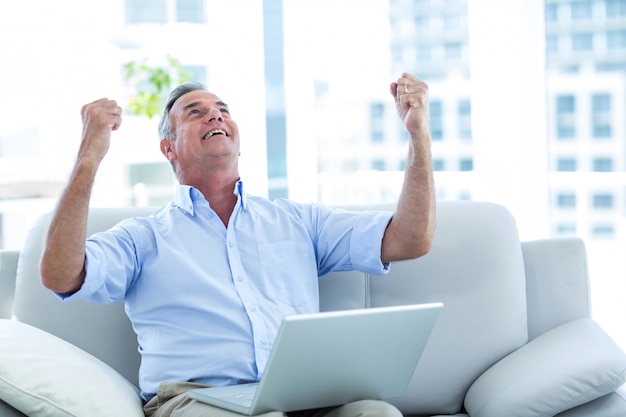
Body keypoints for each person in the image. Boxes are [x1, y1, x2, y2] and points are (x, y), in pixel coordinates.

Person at [40, 72, 435, 417]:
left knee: (376, 412)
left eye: (223, 110)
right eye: (195, 112)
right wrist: (89, 155)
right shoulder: (143, 238)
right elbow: (60, 274)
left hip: (303, 397)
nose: (216, 115)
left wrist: (418, 133)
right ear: (169, 148)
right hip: (200, 402)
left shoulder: (297, 221)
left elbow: (410, 239)